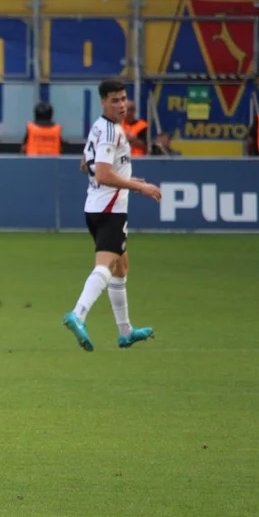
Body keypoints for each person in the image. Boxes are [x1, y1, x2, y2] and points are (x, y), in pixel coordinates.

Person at [63, 79, 162, 352]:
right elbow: (104, 174)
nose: (122, 105)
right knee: (106, 266)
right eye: (115, 100)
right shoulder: (111, 132)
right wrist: (139, 186)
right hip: (110, 210)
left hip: (96, 206)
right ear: (103, 102)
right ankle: (78, 314)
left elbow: (86, 165)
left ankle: (125, 331)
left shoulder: (99, 126)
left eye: (124, 99)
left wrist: (127, 177)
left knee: (121, 266)